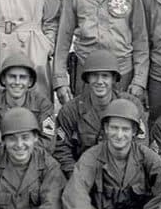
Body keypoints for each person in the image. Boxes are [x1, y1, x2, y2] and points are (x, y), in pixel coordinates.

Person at [54, 49, 146, 178]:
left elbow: (141, 144)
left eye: (105, 76)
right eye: (94, 75)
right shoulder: (71, 111)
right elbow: (61, 149)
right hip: (83, 174)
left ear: (114, 79)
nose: (99, 81)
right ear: (87, 78)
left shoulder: (132, 105)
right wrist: (75, 174)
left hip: (122, 175)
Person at [0, 53, 56, 154]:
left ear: (30, 82)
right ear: (3, 79)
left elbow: (48, 145)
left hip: (34, 164)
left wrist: (4, 140)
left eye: (22, 77)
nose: (17, 82)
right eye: (12, 76)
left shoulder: (43, 105)